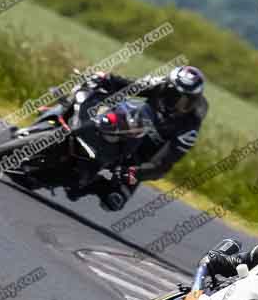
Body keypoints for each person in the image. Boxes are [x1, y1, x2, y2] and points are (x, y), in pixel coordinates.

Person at [64, 65, 208, 211]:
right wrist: (105, 79)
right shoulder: (158, 85)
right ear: (167, 88)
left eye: (189, 102)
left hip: (138, 158)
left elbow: (162, 165)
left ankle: (83, 183)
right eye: (177, 97)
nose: (181, 105)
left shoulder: (189, 128)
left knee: (113, 201)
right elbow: (128, 85)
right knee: (93, 101)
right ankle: (63, 121)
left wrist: (134, 172)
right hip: (123, 129)